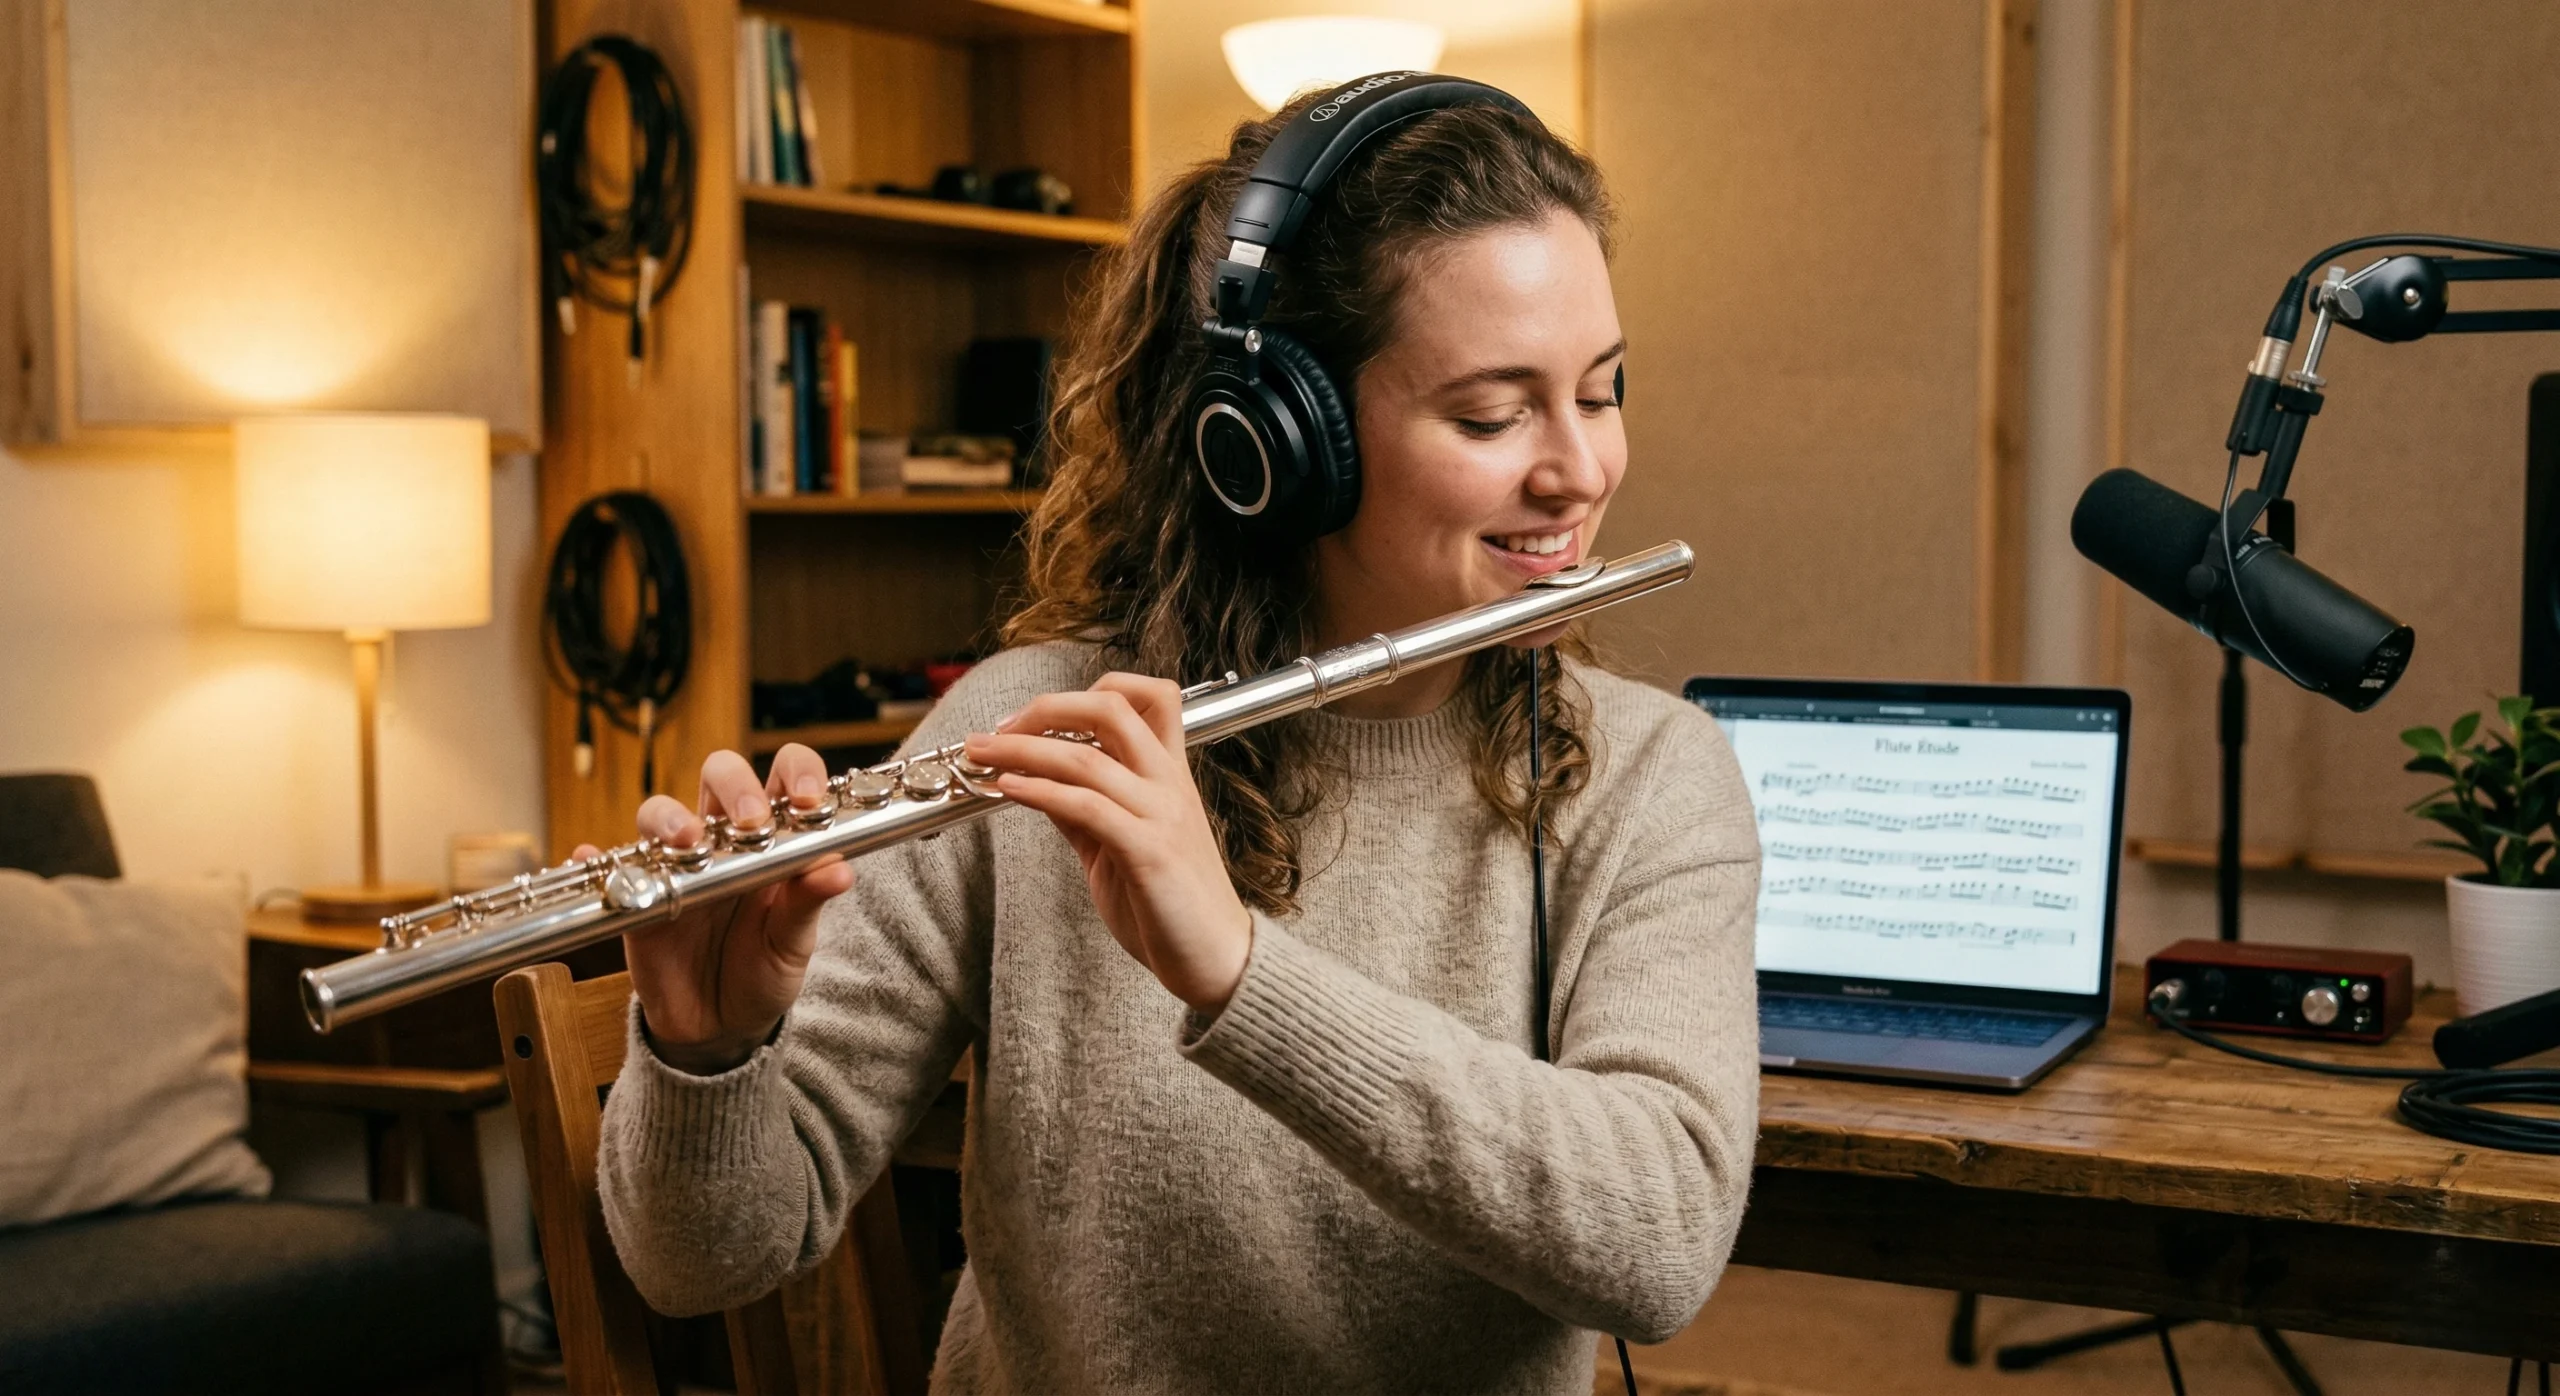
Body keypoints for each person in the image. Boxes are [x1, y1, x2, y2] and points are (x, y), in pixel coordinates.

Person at [594, 80, 1762, 1394]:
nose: (1580, 472)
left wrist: (1242, 975)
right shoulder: (1037, 738)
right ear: (1272, 438)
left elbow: (1661, 1248)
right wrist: (705, 1058)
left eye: (1600, 395)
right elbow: (700, 1263)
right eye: (1493, 415)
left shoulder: (1655, 780)